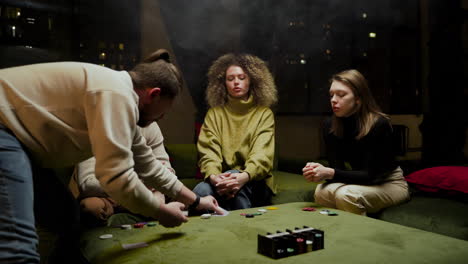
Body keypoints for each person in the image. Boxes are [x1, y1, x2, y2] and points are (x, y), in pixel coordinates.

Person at [0, 49, 221, 263]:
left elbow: (150, 167)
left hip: (20, 141)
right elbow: (117, 178)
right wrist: (160, 212)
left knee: (64, 216)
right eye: (164, 111)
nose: (161, 118)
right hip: (4, 131)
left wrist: (198, 201)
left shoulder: (120, 99)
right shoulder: (116, 94)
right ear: (154, 94)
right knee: (18, 245)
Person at [302, 69, 410, 215]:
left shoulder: (379, 124)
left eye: (341, 95)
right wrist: (318, 172)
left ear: (358, 98)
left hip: (389, 182)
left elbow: (372, 175)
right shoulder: (330, 125)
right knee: (322, 191)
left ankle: (358, 235)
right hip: (361, 180)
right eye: (331, 95)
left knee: (346, 194)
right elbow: (337, 168)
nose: (333, 100)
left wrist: (329, 173)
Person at [193, 53, 278, 211]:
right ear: (223, 83)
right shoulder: (214, 114)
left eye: (241, 77)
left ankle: (244, 232)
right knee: (201, 191)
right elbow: (208, 153)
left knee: (236, 188)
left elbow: (262, 155)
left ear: (251, 80)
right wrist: (214, 177)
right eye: (230, 79)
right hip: (221, 180)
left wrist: (241, 177)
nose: (236, 82)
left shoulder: (263, 114)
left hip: (254, 180)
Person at [75, 122, 175, 226]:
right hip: (109, 195)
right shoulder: (92, 127)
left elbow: (166, 168)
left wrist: (160, 178)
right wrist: (138, 183)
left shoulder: (149, 125)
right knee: (91, 206)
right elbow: (87, 184)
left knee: (168, 194)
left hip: (146, 191)